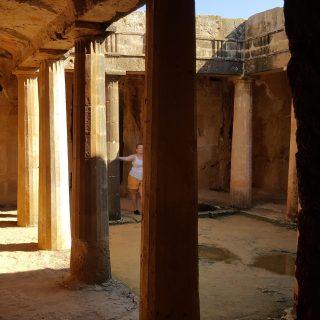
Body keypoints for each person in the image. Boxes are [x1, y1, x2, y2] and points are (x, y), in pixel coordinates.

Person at [119, 144, 143, 215]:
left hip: (143, 178)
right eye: (140, 148)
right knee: (133, 194)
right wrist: (117, 157)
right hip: (133, 177)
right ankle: (135, 209)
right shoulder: (134, 156)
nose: (141, 149)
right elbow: (126, 158)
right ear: (136, 149)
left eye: (142, 148)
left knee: (143, 195)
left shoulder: (147, 156)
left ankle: (144, 210)